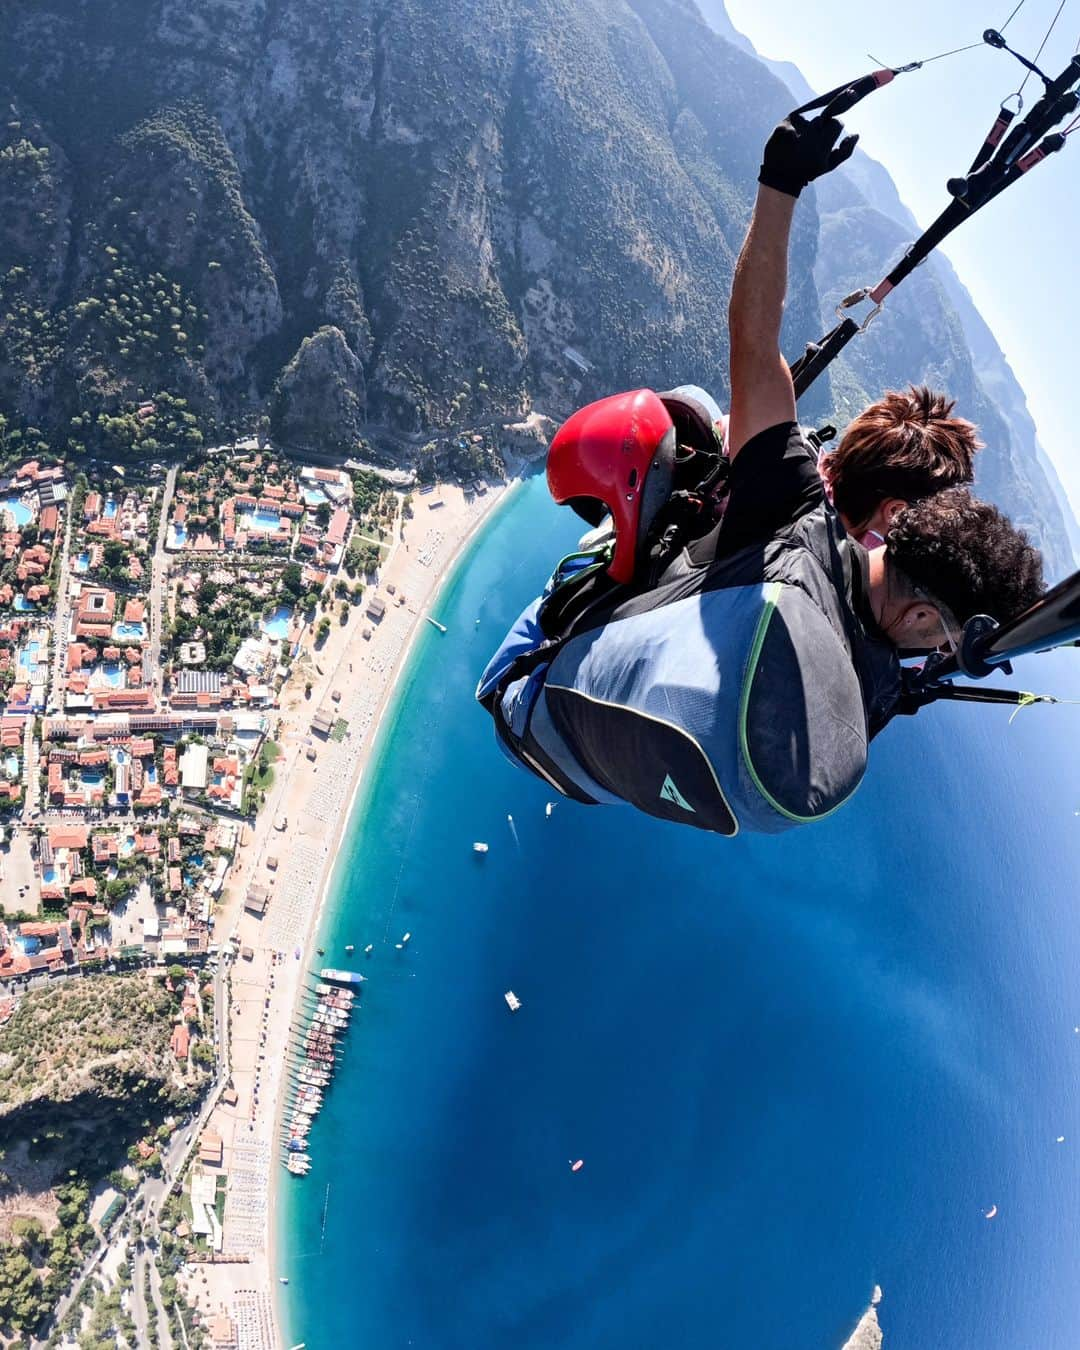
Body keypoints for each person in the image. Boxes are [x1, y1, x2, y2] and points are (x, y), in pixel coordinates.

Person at [476, 109, 1045, 836]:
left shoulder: (789, 509)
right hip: (580, 765)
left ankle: (611, 564)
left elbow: (753, 334)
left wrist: (779, 183)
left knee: (695, 414)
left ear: (896, 523)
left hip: (524, 685)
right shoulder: (867, 694)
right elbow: (911, 635)